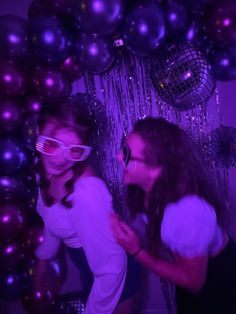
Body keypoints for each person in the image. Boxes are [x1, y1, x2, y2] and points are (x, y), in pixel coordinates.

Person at [111, 117, 236, 314]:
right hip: (195, 277)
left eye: (127, 154)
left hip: (219, 285)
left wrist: (136, 252)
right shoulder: (148, 191)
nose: (118, 157)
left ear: (156, 169)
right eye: (122, 148)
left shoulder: (186, 211)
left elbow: (194, 282)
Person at [34, 97, 139, 314]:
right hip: (91, 268)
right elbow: (50, 222)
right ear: (37, 132)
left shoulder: (87, 193)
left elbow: (112, 268)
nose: (61, 159)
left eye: (74, 150)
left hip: (115, 278)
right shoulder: (43, 170)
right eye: (52, 144)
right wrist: (41, 266)